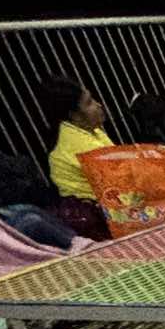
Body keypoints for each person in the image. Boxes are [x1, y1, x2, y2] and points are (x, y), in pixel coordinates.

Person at [37, 75, 113, 238]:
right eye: (89, 102)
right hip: (98, 220)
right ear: (74, 115)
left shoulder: (91, 131)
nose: (98, 105)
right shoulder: (78, 144)